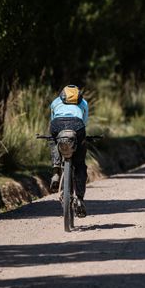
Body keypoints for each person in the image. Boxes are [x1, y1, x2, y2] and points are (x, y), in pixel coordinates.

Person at [49, 85, 89, 217]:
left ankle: (56, 169)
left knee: (53, 140)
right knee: (80, 165)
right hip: (77, 126)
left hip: (57, 125)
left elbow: (52, 119)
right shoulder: (83, 102)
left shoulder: (55, 101)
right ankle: (80, 199)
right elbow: (85, 121)